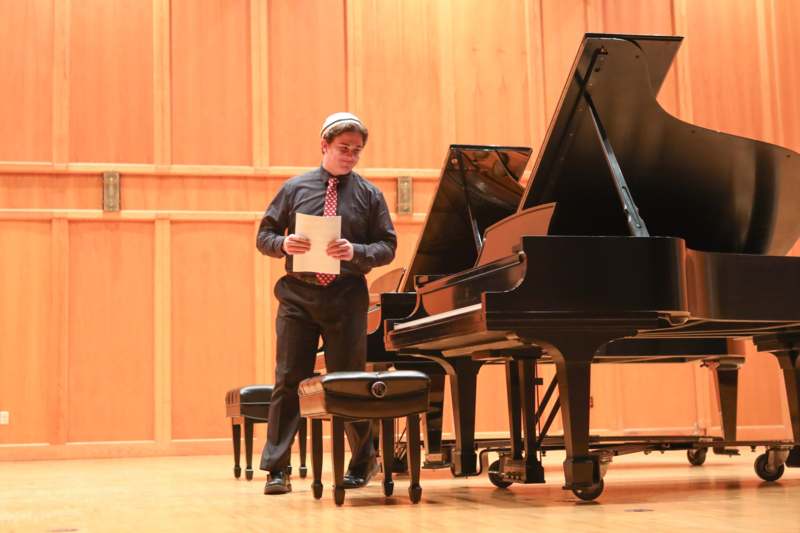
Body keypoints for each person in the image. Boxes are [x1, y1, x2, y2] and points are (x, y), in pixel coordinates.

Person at [256, 112, 397, 494]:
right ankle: (277, 469)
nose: (350, 156)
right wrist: (282, 244)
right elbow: (264, 235)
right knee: (288, 378)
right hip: (298, 295)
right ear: (324, 145)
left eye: (357, 150)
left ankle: (363, 462)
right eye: (343, 148)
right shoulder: (295, 188)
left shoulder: (370, 195)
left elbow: (387, 247)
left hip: (346, 297)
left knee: (350, 380)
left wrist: (356, 251)